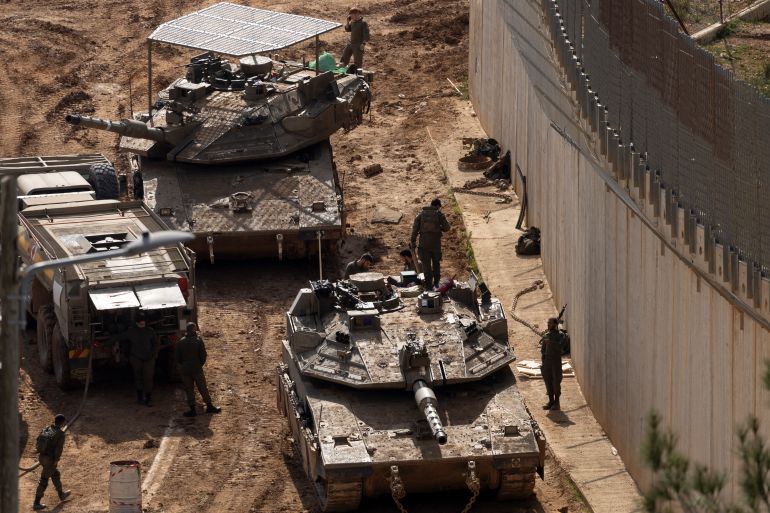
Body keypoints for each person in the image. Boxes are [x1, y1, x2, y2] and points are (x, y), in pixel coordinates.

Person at [176, 323, 221, 417]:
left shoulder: (180, 342)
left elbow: (178, 358)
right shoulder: (198, 340)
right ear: (193, 329)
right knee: (202, 387)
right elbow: (203, 355)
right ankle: (209, 406)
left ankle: (192, 410)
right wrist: (199, 365)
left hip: (185, 369)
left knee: (189, 389)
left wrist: (184, 365)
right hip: (196, 368)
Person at [410, 198, 450, 289]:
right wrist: (440, 228)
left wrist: (413, 241)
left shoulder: (420, 214)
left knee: (426, 266)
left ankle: (428, 286)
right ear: (437, 206)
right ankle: (436, 284)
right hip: (436, 245)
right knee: (436, 265)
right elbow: (447, 228)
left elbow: (415, 229)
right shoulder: (439, 214)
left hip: (423, 245)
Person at [33, 414, 70, 510]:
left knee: (55, 474)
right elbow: (58, 449)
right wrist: (56, 460)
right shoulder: (60, 434)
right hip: (49, 460)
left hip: (42, 457)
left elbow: (38, 440)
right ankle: (36, 503)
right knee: (43, 481)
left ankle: (61, 494)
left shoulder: (47, 429)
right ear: (62, 423)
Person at [122, 313, 158, 406]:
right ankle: (140, 398)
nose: (142, 323)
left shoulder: (150, 331)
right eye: (140, 322)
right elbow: (119, 337)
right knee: (138, 377)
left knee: (148, 378)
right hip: (136, 358)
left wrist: (153, 354)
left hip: (148, 358)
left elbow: (155, 344)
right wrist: (102, 344)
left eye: (143, 322)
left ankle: (148, 398)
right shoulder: (131, 331)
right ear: (136, 323)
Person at [540, 318, 565, 411]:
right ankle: (551, 401)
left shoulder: (561, 335)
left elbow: (562, 347)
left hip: (556, 360)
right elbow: (543, 349)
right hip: (547, 361)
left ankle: (557, 403)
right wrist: (543, 360)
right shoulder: (546, 335)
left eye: (550, 323)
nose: (548, 324)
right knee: (548, 381)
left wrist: (551, 343)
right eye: (548, 323)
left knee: (556, 381)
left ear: (555, 324)